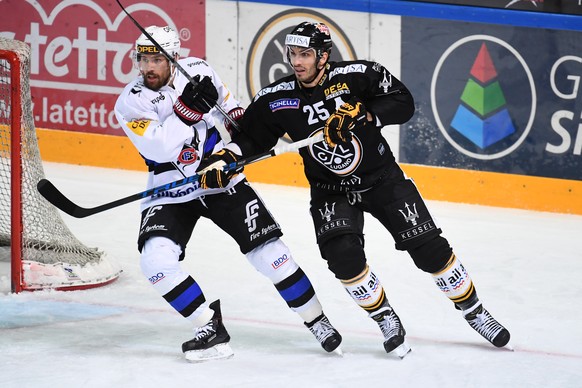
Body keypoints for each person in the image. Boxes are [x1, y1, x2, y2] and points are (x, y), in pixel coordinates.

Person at [197, 21, 511, 358]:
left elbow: (402, 102)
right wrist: (225, 157)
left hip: (381, 179)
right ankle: (385, 317)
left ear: (324, 55)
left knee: (429, 249)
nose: (298, 61)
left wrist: (365, 114)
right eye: (293, 54)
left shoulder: (358, 76)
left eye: (306, 54)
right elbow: (252, 138)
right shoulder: (275, 99)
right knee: (343, 258)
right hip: (329, 190)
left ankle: (475, 311)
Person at [114, 25, 342, 362]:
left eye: (157, 60)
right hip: (170, 185)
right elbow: (161, 146)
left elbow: (230, 107)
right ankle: (208, 325)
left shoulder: (199, 71)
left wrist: (242, 132)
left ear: (173, 58)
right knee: (155, 263)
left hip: (218, 175)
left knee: (271, 255)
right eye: (144, 59)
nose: (149, 67)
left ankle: (316, 320)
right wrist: (185, 113)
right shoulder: (130, 102)